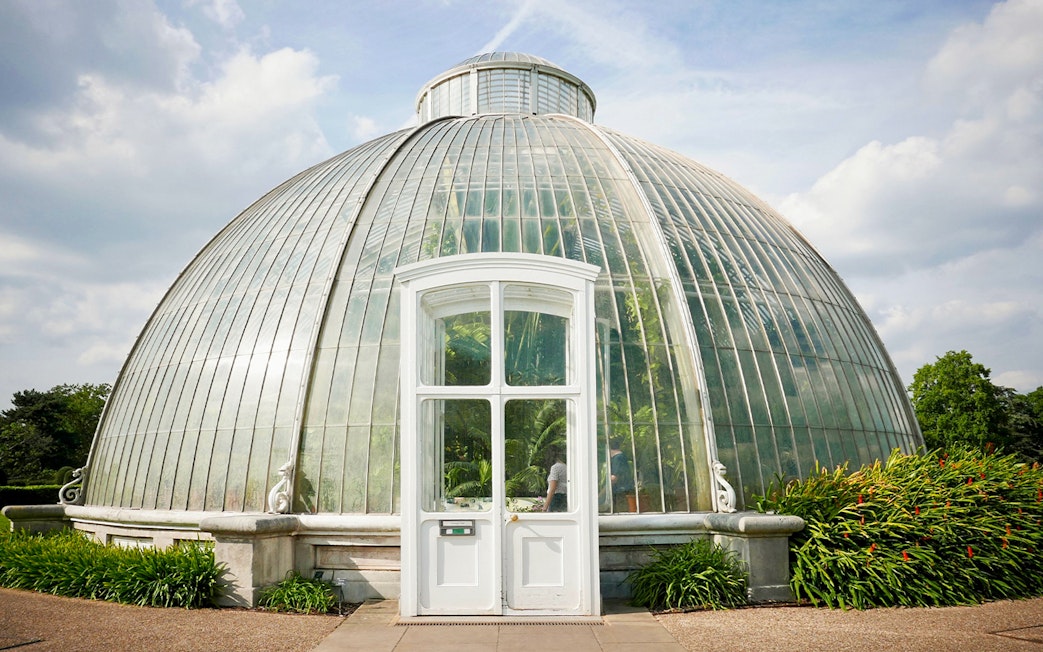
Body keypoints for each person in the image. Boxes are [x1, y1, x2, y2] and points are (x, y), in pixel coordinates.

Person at [609, 438, 633, 512]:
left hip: (621, 492)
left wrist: (600, 493)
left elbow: (614, 478)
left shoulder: (618, 458)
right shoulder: (620, 457)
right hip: (623, 490)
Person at [543, 448, 567, 512]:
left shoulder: (555, 468)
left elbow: (553, 488)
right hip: (565, 497)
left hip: (556, 498)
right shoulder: (565, 467)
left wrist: (545, 507)